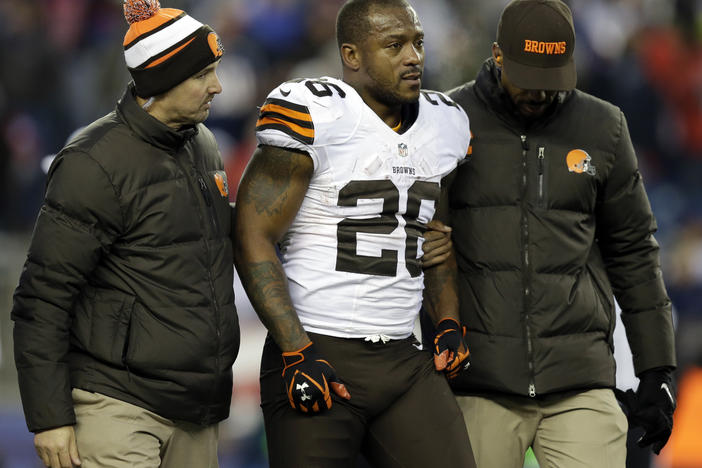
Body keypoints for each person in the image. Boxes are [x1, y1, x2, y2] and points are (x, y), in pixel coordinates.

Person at [421, 0, 678, 467]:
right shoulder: (446, 122)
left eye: (552, 78)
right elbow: (423, 245)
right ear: (497, 56)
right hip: (479, 380)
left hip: (580, 378)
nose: (540, 93)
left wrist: (657, 367)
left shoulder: (604, 127)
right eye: (528, 77)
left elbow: (634, 251)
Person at [232, 0, 475, 467]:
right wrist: (295, 349)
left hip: (406, 358)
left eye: (418, 42)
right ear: (352, 55)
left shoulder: (445, 124)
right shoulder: (317, 114)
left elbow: (434, 236)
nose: (414, 57)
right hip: (319, 346)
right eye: (394, 45)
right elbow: (251, 235)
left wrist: (447, 322)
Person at [11, 1, 239, 467]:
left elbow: (201, 244)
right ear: (160, 80)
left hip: (199, 409)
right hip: (116, 406)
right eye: (203, 75)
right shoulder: (93, 162)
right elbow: (42, 298)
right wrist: (49, 417)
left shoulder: (204, 144)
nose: (217, 87)